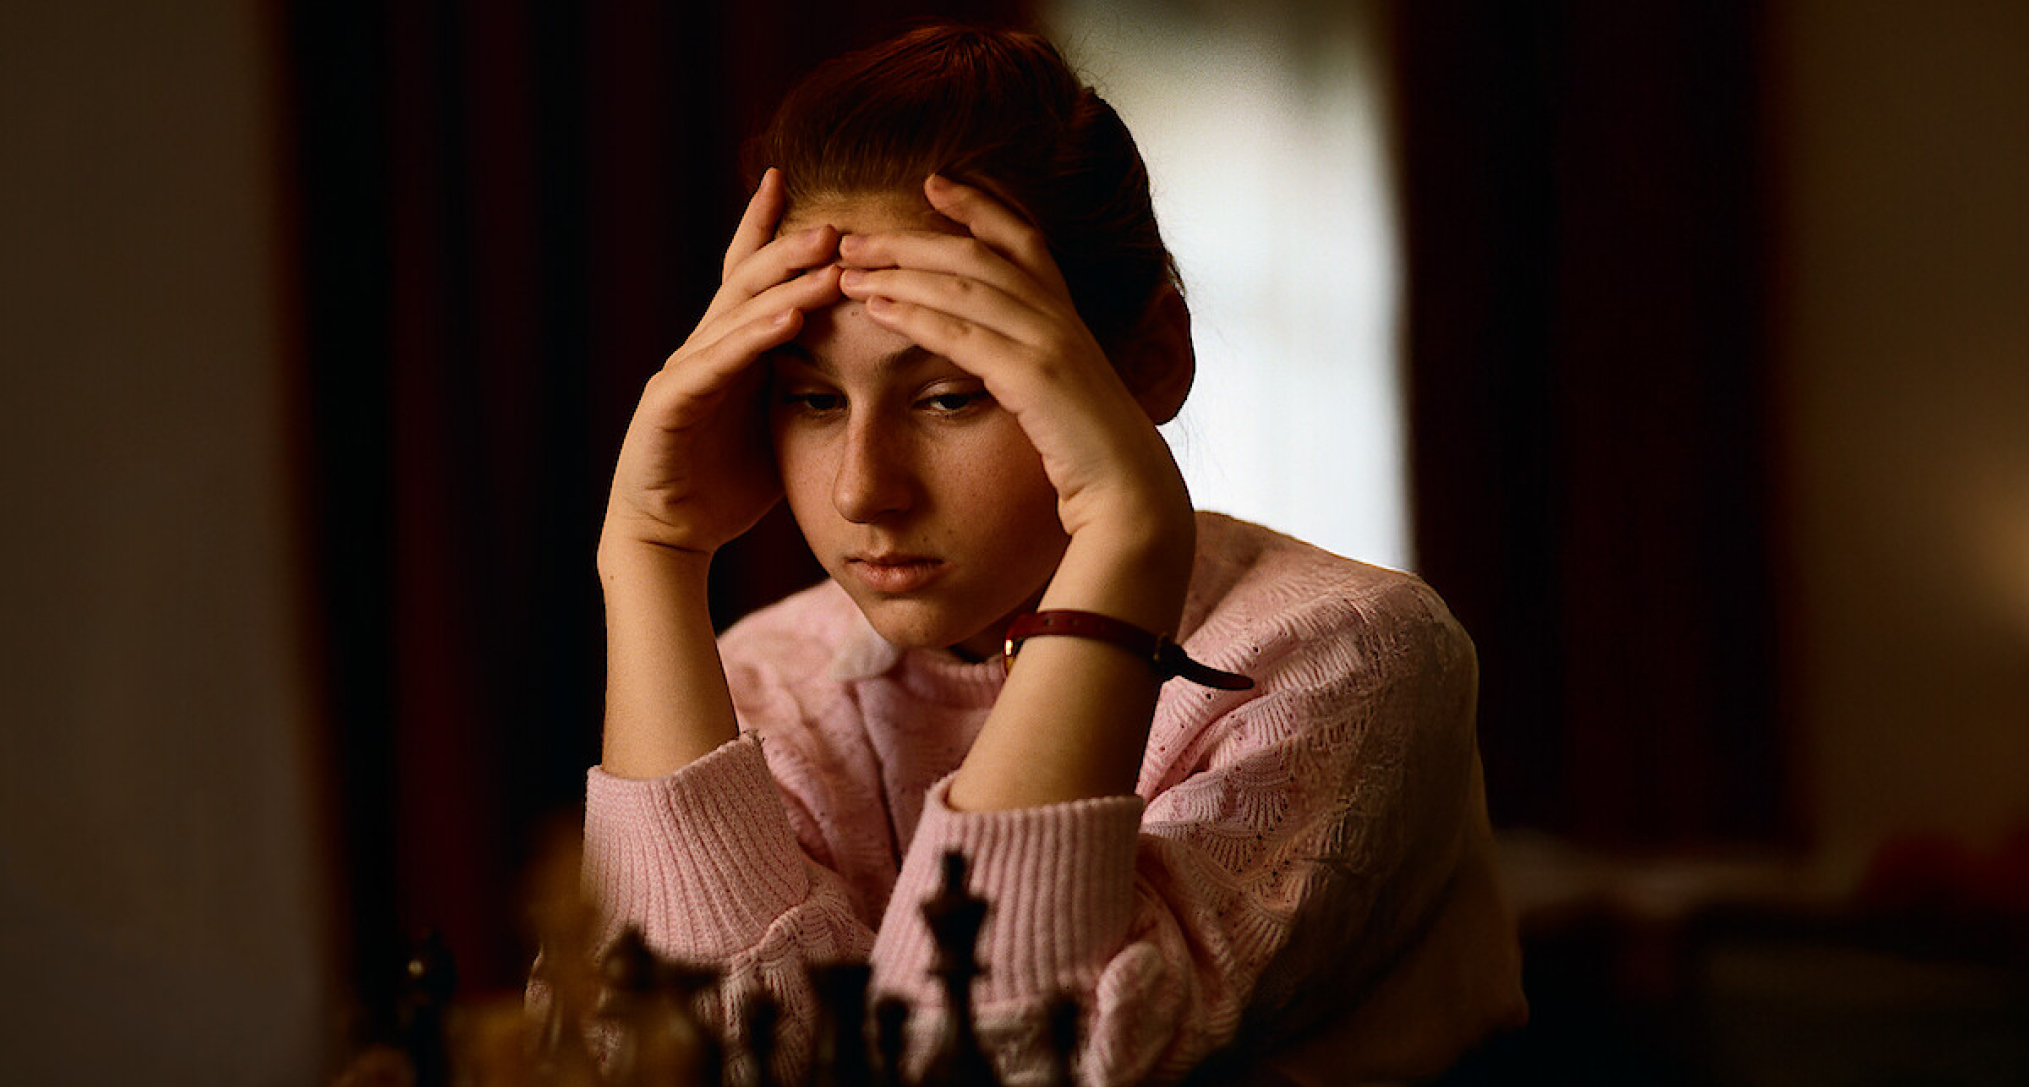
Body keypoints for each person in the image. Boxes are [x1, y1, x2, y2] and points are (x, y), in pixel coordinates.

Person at [574, 22, 1525, 1086]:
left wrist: (1126, 535)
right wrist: (649, 553)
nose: (861, 488)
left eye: (950, 395)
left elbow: (982, 1063)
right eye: (810, 397)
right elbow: (678, 1066)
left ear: (1149, 363)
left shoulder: (1348, 653)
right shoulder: (757, 678)